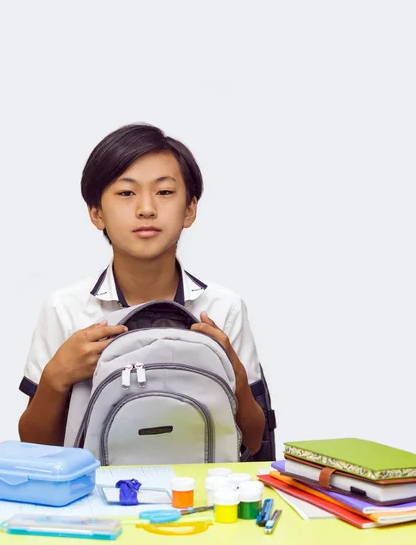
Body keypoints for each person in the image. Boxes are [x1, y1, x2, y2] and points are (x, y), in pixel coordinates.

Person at [18, 123, 265, 454]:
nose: (146, 208)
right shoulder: (65, 309)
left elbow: (251, 444)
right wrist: (55, 376)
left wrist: (231, 367)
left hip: (198, 498)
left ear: (190, 209)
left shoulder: (224, 307)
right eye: (126, 193)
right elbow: (35, 448)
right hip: (93, 499)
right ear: (96, 213)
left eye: (164, 192)